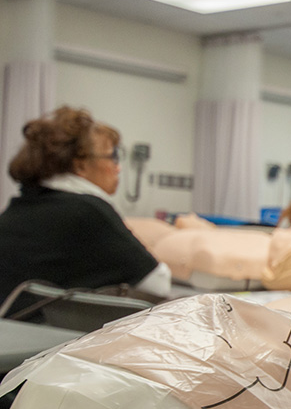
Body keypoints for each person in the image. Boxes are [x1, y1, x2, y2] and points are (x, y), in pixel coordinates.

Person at [0, 106, 170, 317]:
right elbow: (158, 283)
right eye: (112, 157)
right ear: (80, 166)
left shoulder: (20, 205)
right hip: (47, 338)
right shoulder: (89, 210)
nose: (118, 168)